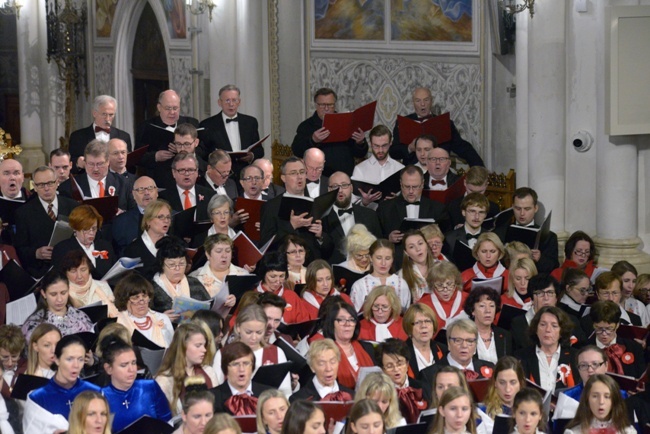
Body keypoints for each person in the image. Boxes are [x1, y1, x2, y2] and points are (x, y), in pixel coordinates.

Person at [22, 335, 101, 434]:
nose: (76, 365)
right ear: (57, 360)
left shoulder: (95, 393)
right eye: (70, 359)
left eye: (80, 359)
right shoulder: (37, 398)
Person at [390, 87, 484, 167]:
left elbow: (463, 148)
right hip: (413, 175)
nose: (422, 104)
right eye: (418, 101)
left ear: (431, 101)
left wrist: (479, 169)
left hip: (439, 172)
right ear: (413, 103)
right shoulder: (403, 123)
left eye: (426, 100)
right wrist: (409, 148)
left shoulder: (444, 123)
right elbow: (394, 152)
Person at [260, 157, 333, 259]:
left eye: (302, 172)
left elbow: (330, 245)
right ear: (283, 178)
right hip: (285, 266)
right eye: (293, 173)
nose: (299, 177)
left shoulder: (316, 204)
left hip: (312, 267)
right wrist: (291, 226)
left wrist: (320, 235)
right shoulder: (271, 206)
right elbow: (265, 245)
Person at [213, 304, 293, 397]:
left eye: (259, 332)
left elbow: (285, 392)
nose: (254, 338)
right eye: (249, 332)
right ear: (238, 327)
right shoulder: (223, 354)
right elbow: (217, 390)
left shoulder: (276, 353)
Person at [15, 166, 78, 277]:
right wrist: (36, 253)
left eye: (50, 183)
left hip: (71, 267)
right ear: (34, 186)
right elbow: (20, 249)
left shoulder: (73, 206)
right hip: (42, 272)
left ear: (57, 182)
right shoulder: (23, 213)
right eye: (41, 185)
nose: (46, 188)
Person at [291, 87, 368, 176]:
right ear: (316, 105)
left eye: (330, 104)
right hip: (320, 177)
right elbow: (297, 150)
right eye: (322, 105)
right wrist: (313, 140)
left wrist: (360, 142)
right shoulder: (306, 126)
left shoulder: (345, 123)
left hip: (344, 176)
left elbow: (360, 154)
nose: (326, 108)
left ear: (335, 105)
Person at [100, 335, 171, 431]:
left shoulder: (150, 387)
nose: (132, 369)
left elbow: (167, 422)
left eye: (133, 363)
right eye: (124, 365)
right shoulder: (101, 397)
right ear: (109, 369)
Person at [136, 90, 200, 190]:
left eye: (175, 108)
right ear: (159, 107)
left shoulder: (192, 123)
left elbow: (203, 150)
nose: (172, 112)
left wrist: (183, 149)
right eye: (168, 108)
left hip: (189, 182)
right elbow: (137, 157)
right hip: (160, 183)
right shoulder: (146, 127)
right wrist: (155, 156)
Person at [377, 166, 449, 254]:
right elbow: (376, 237)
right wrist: (388, 238)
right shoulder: (385, 208)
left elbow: (445, 239)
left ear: (422, 184)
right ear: (400, 183)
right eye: (407, 186)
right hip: (396, 260)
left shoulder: (438, 209)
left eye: (415, 187)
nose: (411, 191)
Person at [155, 322, 217, 415]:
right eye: (198, 345)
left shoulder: (209, 372)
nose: (204, 350)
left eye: (204, 345)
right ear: (183, 347)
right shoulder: (165, 380)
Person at [198, 84, 263, 173]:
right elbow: (203, 153)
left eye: (234, 100)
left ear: (239, 102)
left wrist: (252, 156)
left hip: (245, 172)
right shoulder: (207, 124)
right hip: (220, 173)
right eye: (227, 100)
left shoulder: (250, 122)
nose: (231, 104)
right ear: (219, 102)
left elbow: (259, 150)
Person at [322, 172, 382, 264]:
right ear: (329, 190)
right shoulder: (322, 218)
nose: (340, 190)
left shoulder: (370, 215)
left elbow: (378, 247)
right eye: (335, 186)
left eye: (344, 185)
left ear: (351, 188)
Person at [514, 306, 577, 393]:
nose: (547, 330)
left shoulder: (575, 356)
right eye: (543, 325)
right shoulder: (520, 357)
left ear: (562, 331)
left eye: (554, 326)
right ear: (536, 329)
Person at [58, 139, 132, 211]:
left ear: (108, 162)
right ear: (85, 162)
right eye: (91, 164)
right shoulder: (69, 187)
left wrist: (123, 215)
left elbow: (133, 213)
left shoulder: (124, 184)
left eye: (100, 164)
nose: (95, 169)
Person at [418, 319, 495, 387]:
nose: (464, 345)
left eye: (469, 341)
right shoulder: (429, 374)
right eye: (458, 340)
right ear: (448, 343)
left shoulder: (491, 368)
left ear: (476, 344)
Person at [22, 269, 93, 342]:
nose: (59, 299)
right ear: (44, 293)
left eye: (63, 293)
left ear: (68, 290)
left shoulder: (81, 317)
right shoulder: (34, 324)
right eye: (53, 294)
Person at [150, 236, 210, 320]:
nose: (177, 268)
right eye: (172, 265)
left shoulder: (194, 282)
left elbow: (209, 310)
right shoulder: (151, 289)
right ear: (162, 264)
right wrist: (162, 318)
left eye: (181, 264)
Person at [502, 187, 559, 274]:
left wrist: (540, 258)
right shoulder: (503, 231)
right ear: (512, 207)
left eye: (527, 209)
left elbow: (554, 266)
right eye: (518, 208)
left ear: (535, 208)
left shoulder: (549, 236)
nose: (522, 213)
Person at [69, 95, 132, 172]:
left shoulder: (123, 136)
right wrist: (78, 163)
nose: (107, 119)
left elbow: (130, 165)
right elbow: (69, 164)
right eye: (104, 114)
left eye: (111, 115)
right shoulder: (78, 136)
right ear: (94, 113)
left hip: (116, 181)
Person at [52, 204, 117, 279]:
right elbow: (59, 279)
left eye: (94, 228)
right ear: (75, 228)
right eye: (86, 229)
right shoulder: (62, 249)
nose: (91, 233)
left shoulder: (105, 245)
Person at [321, 301, 376, 389]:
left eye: (351, 320)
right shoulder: (324, 353)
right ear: (331, 324)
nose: (347, 324)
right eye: (341, 320)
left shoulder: (367, 348)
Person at [585, 300, 645, 378]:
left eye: (609, 328)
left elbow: (641, 379)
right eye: (599, 328)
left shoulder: (633, 347)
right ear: (593, 325)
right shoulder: (584, 349)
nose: (604, 334)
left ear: (617, 325)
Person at [113, 272, 175, 348]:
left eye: (144, 296)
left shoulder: (162, 318)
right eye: (135, 297)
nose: (141, 302)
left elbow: (174, 348)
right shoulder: (118, 322)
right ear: (125, 300)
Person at [376, 338, 430, 424]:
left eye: (400, 364)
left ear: (407, 364)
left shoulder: (423, 388)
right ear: (382, 369)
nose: (396, 369)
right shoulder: (379, 394)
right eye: (389, 366)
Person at [211, 342, 272, 415]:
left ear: (252, 367)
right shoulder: (212, 398)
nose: (241, 369)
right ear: (225, 368)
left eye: (246, 363)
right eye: (235, 364)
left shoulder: (268, 394)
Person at [350, 239, 411, 313]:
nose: (383, 263)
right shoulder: (359, 285)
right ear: (371, 258)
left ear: (392, 260)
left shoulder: (401, 283)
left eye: (387, 258)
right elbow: (354, 314)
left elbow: (407, 313)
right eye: (379, 258)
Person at [563, 374, 635, 434]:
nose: (601, 402)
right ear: (587, 399)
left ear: (614, 400)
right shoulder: (573, 432)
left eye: (607, 396)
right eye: (595, 396)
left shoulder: (628, 431)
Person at [352, 125, 404, 205]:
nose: (380, 150)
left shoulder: (400, 168)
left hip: (392, 214)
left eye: (384, 145)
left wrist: (398, 200)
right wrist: (364, 202)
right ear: (371, 144)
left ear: (390, 143)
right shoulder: (359, 169)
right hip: (369, 215)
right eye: (376, 146)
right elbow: (353, 202)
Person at [254, 251, 309, 324]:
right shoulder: (252, 297)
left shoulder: (291, 297)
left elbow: (305, 324)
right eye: (273, 276)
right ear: (263, 274)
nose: (278, 281)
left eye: (281, 276)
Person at [158, 152, 215, 221]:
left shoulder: (211, 196)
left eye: (190, 170)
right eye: (182, 170)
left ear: (197, 172)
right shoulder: (162, 198)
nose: (187, 174)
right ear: (173, 173)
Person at [124, 199, 172, 279]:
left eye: (168, 217)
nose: (166, 221)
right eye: (161, 217)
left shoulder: (174, 244)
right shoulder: (133, 249)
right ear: (148, 221)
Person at [59, 250, 118, 317]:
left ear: (89, 269)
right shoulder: (62, 293)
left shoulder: (103, 286)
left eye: (83, 270)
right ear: (66, 273)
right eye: (73, 271)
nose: (79, 276)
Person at [190, 233, 246, 303]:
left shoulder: (243, 274)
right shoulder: (195, 277)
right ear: (208, 254)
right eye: (219, 251)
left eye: (228, 251)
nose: (224, 255)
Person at [463, 287, 512, 364]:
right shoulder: (464, 335)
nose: (488, 311)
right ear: (472, 310)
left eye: (492, 306)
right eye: (482, 306)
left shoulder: (506, 336)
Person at [112, 176, 159, 255]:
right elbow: (119, 252)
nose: (147, 193)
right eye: (141, 190)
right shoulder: (121, 221)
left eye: (150, 188)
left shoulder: (171, 216)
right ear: (133, 194)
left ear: (157, 192)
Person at [444, 193, 490, 270]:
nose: (477, 217)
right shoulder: (450, 238)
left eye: (481, 212)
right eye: (472, 211)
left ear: (485, 215)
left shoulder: (492, 238)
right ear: (463, 212)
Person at [418, 261, 468, 330]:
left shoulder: (468, 299)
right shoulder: (423, 304)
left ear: (456, 282)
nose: (445, 290)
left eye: (449, 284)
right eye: (440, 285)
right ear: (432, 285)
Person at [402, 304, 447, 378]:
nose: (423, 326)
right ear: (409, 327)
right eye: (418, 322)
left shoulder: (443, 350)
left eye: (427, 321)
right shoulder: (401, 353)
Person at [399, 230, 434, 303]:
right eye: (411, 247)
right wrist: (411, 303)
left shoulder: (441, 267)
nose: (418, 249)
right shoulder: (402, 275)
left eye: (420, 243)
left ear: (426, 245)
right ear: (406, 252)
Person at [612, 260, 650, 326]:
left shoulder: (639, 306)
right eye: (626, 281)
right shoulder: (607, 303)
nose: (631, 286)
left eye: (634, 281)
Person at [0, 325, 26, 395]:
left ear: (20, 352)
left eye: (14, 356)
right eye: (5, 357)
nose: (10, 363)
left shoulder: (28, 368)